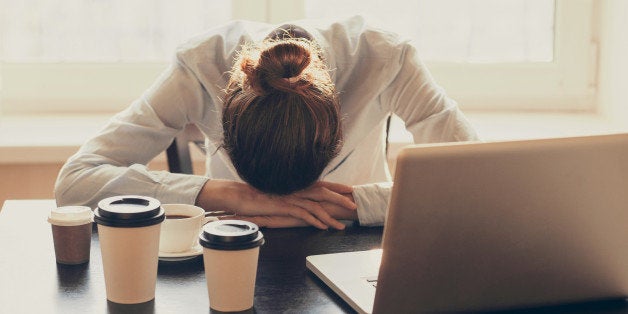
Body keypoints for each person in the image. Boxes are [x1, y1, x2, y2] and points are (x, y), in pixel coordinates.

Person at [54, 16, 479, 229]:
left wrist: (354, 203)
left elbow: (479, 181)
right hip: (235, 235)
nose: (288, 203)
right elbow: (76, 181)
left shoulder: (387, 58)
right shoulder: (201, 63)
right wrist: (228, 194)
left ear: (336, 124)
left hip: (355, 244)